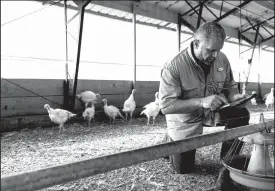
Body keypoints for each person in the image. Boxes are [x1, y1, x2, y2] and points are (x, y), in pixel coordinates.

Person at [159, 22, 250, 190]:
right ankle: (170, 141)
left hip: (212, 111)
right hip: (185, 119)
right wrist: (201, 101)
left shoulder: (221, 58)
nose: (215, 55)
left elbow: (229, 87)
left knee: (241, 113)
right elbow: (166, 106)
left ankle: (227, 163)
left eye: (218, 50)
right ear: (196, 44)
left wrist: (236, 97)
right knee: (184, 169)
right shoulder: (174, 66)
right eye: (210, 50)